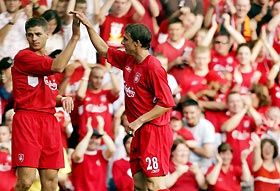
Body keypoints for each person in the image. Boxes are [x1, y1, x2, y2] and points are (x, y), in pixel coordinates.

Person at [73, 10, 175, 191]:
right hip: (138, 130)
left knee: (154, 184)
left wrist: (139, 121)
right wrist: (89, 26)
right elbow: (104, 50)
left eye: (126, 39)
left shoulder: (153, 67)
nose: (122, 42)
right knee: (139, 183)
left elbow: (165, 103)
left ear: (137, 43)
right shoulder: (129, 59)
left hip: (154, 131)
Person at [11, 15, 81, 191]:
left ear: (47, 34)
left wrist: (62, 98)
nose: (34, 38)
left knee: (51, 183)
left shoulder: (47, 64)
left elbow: (51, 95)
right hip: (28, 119)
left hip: (49, 121)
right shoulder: (24, 57)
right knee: (25, 182)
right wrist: (74, 37)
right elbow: (59, 67)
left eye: (38, 34)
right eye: (30, 34)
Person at [71, 116, 116, 191]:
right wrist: (88, 134)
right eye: (92, 137)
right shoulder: (80, 153)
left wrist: (102, 132)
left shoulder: (101, 154)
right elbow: (77, 155)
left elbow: (112, 149)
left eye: (97, 138)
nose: (94, 140)